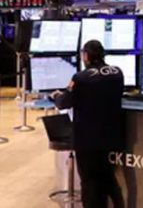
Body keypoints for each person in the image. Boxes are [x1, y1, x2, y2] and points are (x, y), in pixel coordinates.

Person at [53, 40, 125, 208]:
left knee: (90, 183)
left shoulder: (81, 78)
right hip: (111, 137)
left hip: (87, 141)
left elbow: (64, 103)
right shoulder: (117, 73)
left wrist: (56, 96)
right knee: (108, 179)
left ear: (86, 55)